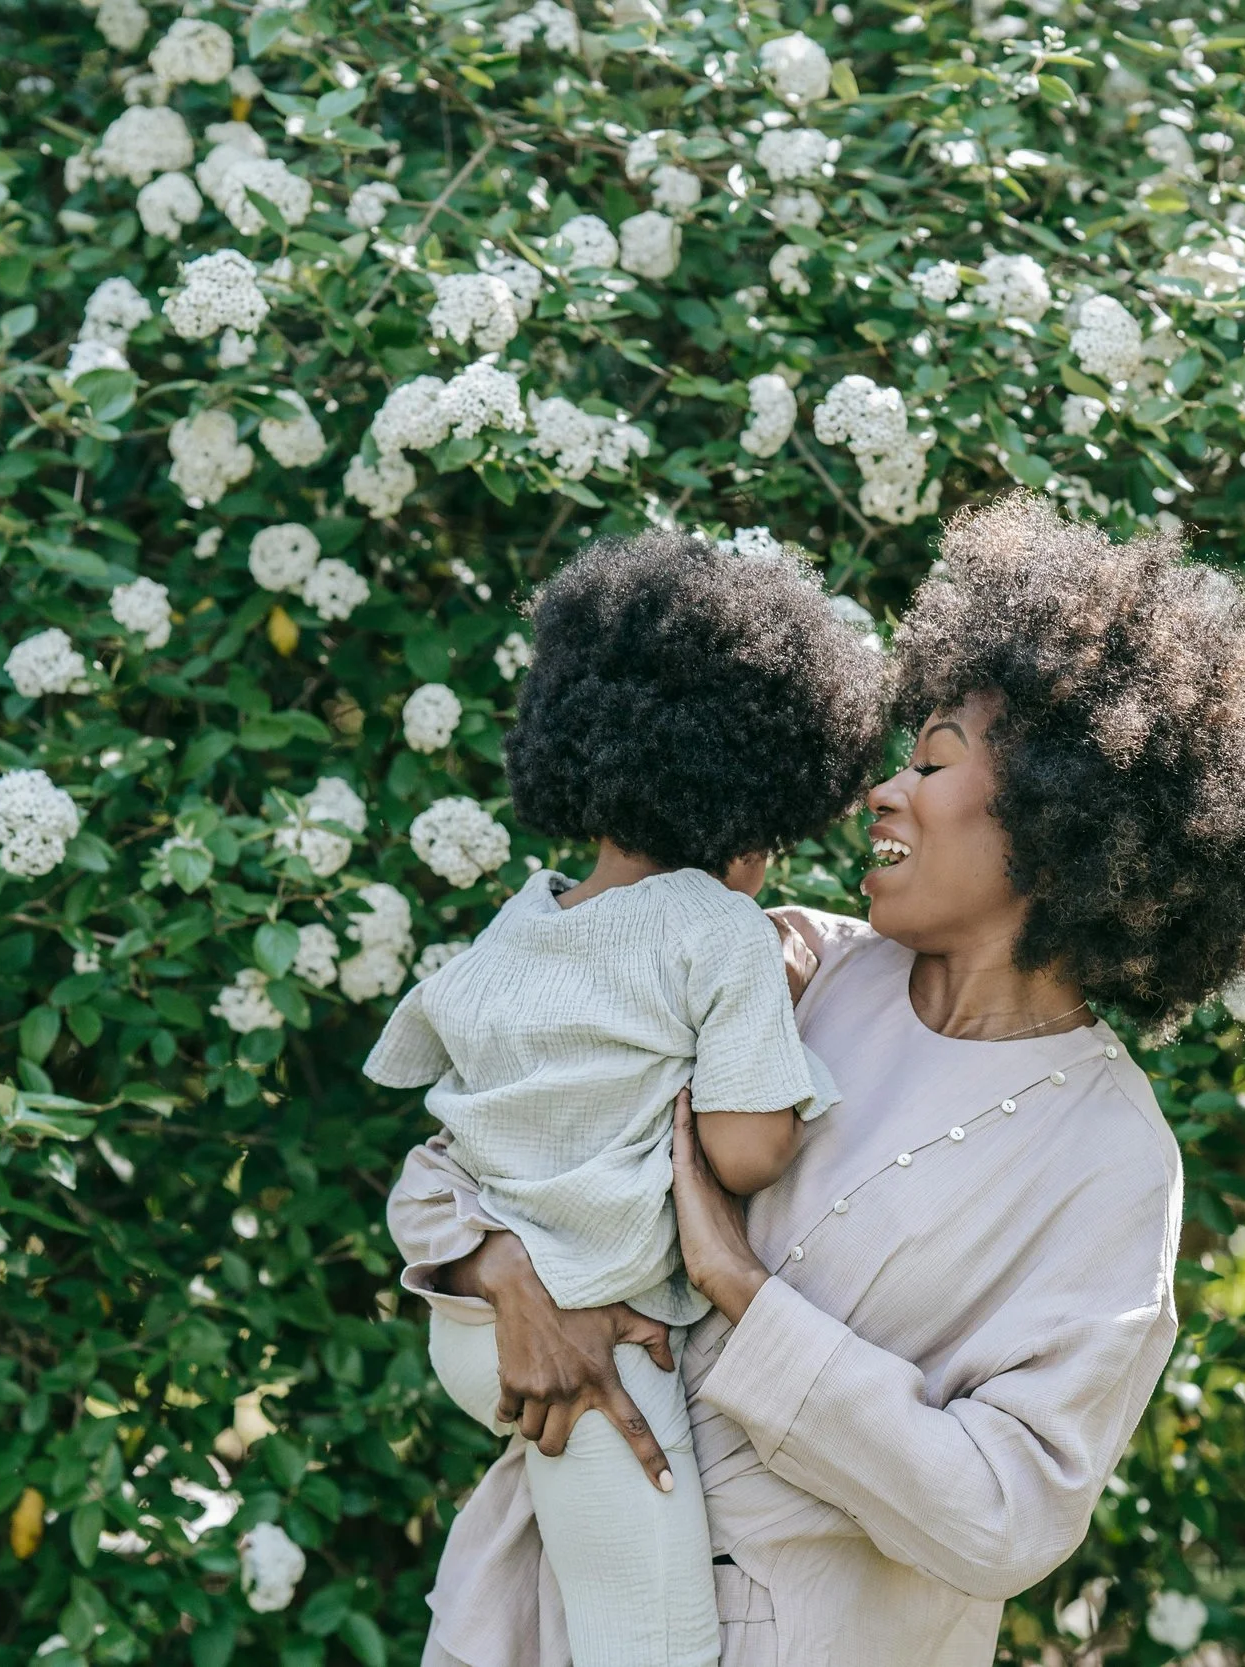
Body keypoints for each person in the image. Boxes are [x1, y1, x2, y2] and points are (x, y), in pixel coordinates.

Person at [389, 492, 1245, 1666]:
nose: (880, 793)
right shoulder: (780, 962)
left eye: (932, 760)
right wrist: (510, 1282)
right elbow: (477, 1143)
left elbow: (1005, 1515)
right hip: (527, 1621)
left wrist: (745, 1294)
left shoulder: (1109, 1161)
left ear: (1065, 821)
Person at [365, 531, 888, 1667]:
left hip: (471, 1314)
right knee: (649, 1639)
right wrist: (774, 1067)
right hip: (597, 1337)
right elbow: (746, 1154)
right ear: (759, 811)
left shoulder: (523, 921)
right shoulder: (719, 929)